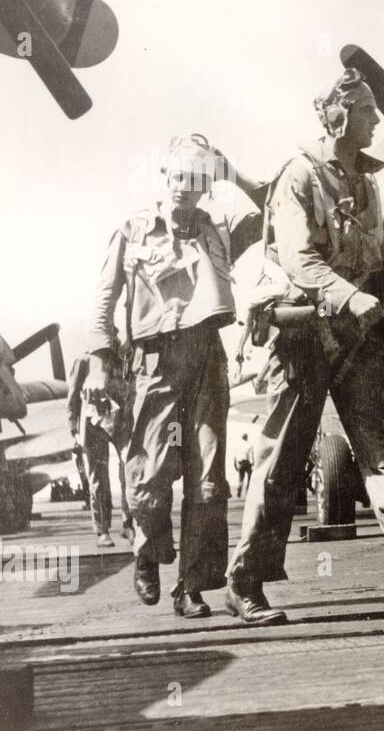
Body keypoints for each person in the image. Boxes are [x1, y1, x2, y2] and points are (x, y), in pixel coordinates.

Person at [224, 68, 384, 626]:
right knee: (280, 463)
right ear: (338, 115)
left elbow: (382, 258)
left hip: (356, 338)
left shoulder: (365, 181)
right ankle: (245, 582)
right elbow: (298, 259)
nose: (376, 120)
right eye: (367, 111)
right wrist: (347, 296)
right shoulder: (297, 175)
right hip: (302, 337)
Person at [84, 134, 262, 617]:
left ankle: (192, 587)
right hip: (153, 364)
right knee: (149, 476)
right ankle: (147, 553)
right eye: (179, 175)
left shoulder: (219, 229)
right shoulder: (134, 230)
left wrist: (232, 170)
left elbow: (273, 207)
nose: (186, 187)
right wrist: (100, 360)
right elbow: (104, 300)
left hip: (207, 360)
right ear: (164, 176)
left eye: (198, 178)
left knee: (207, 479)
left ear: (208, 184)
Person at [66, 355, 133, 545]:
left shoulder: (125, 356)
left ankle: (129, 524)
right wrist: (73, 429)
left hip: (120, 419)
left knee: (128, 467)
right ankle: (102, 531)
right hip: (92, 422)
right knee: (98, 477)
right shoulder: (84, 360)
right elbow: (73, 395)